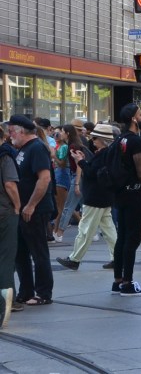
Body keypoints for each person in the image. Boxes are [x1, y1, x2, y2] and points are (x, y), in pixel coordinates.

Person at [56, 124, 117, 270]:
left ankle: (75, 259)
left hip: (95, 197)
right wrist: (83, 161)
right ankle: (117, 257)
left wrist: (80, 162)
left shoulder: (103, 154)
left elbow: (91, 173)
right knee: (109, 230)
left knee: (85, 229)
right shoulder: (107, 153)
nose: (92, 140)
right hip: (103, 197)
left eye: (95, 137)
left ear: (102, 139)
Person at [10, 115, 55, 306]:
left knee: (38, 252)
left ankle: (43, 293)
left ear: (21, 131)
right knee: (21, 252)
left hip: (34, 210)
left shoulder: (36, 148)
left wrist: (31, 205)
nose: (10, 135)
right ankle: (26, 290)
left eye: (12, 131)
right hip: (23, 209)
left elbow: (44, 178)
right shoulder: (23, 149)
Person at [112, 103, 141, 297]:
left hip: (120, 193)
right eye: (139, 114)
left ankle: (118, 280)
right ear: (133, 119)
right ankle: (128, 283)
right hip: (134, 193)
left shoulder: (120, 139)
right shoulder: (135, 142)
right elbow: (140, 169)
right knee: (132, 238)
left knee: (122, 237)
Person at [54, 124, 91, 242]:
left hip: (77, 177)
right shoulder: (73, 145)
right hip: (79, 177)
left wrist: (76, 183)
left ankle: (59, 233)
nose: (60, 133)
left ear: (68, 133)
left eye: (62, 131)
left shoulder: (73, 146)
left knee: (68, 206)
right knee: (87, 206)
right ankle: (92, 232)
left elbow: (79, 165)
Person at [0, 126, 20, 327]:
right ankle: (4, 301)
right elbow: (10, 185)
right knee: (6, 256)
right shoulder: (5, 157)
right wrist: (17, 205)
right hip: (4, 212)